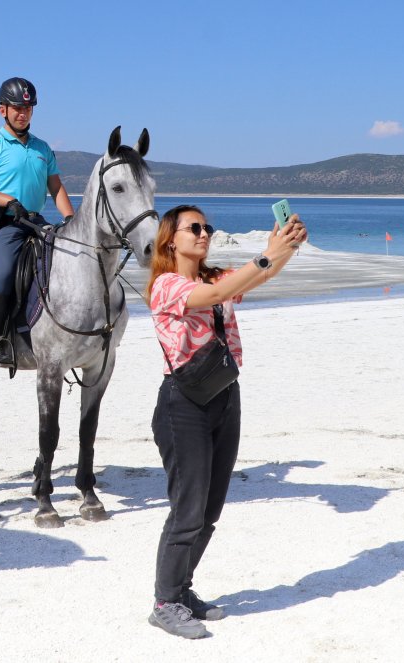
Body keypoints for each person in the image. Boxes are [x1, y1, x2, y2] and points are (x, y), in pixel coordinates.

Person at [145, 204, 307, 639]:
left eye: (207, 227)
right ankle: (164, 603)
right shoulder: (165, 285)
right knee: (188, 510)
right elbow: (218, 296)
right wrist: (265, 255)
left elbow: (260, 276)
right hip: (184, 406)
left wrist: (285, 247)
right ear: (170, 239)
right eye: (193, 228)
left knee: (210, 511)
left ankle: (181, 590)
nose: (203, 233)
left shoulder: (215, 277)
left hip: (224, 398)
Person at [0, 77, 75, 367]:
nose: (23, 113)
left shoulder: (43, 148)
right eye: (17, 108)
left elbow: (56, 188)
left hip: (35, 221)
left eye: (28, 108)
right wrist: (7, 201)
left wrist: (70, 220)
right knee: (3, 274)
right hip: (3, 223)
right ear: (3, 110)